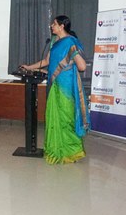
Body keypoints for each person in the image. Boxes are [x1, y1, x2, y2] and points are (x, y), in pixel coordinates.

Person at [20, 15, 89, 165]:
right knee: (54, 118)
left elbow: (82, 66)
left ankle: (71, 152)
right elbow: (46, 62)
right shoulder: (53, 41)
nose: (51, 26)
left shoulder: (70, 42)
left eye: (54, 24)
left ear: (62, 26)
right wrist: (29, 67)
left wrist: (66, 67)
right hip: (54, 85)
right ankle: (56, 149)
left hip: (66, 86)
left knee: (66, 118)